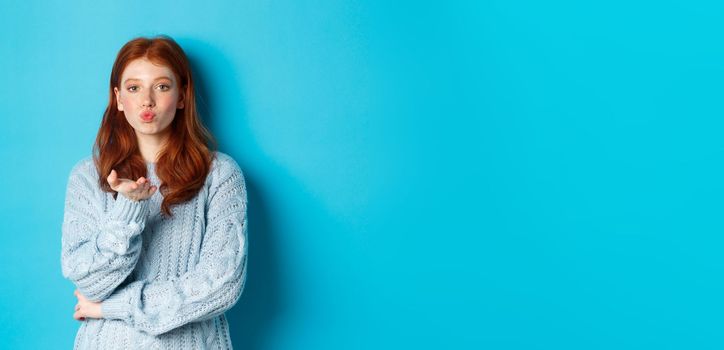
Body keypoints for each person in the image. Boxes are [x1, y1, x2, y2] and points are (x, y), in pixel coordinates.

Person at [60, 35, 248, 349]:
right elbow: (90, 283)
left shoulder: (220, 175)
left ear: (182, 96)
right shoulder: (87, 177)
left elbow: (220, 285)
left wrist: (110, 308)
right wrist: (128, 211)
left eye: (161, 86)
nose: (147, 100)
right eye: (134, 88)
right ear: (119, 98)